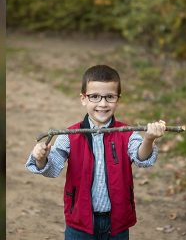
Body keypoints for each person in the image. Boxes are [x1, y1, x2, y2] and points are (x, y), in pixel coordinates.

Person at [26, 64, 166, 240]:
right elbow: (52, 167)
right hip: (79, 223)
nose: (102, 103)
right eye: (94, 97)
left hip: (117, 223)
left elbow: (141, 158)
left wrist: (149, 139)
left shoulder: (127, 133)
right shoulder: (69, 136)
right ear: (83, 98)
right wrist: (41, 158)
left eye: (109, 97)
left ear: (118, 99)